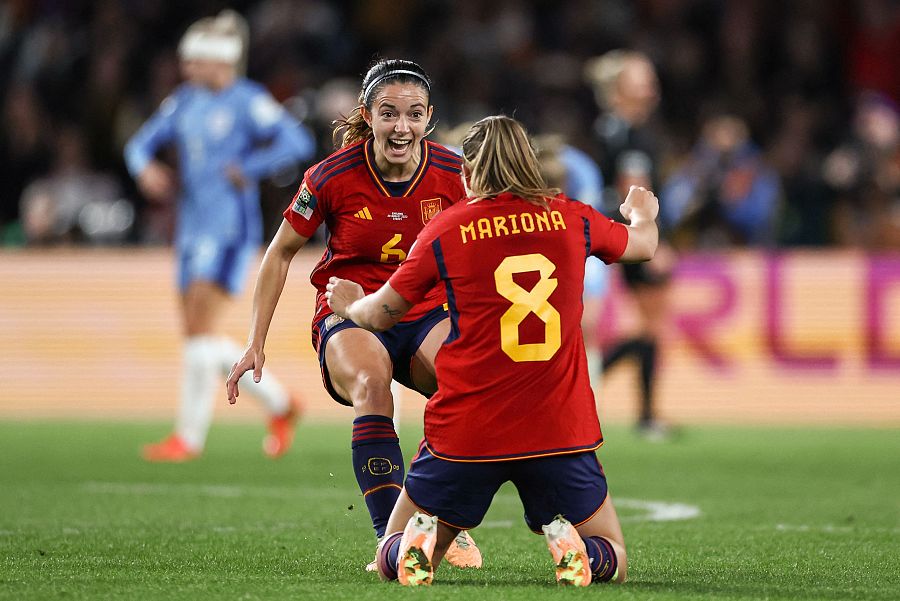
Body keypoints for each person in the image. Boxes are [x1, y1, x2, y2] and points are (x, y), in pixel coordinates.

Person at [325, 115, 660, 586]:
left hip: (468, 427)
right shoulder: (572, 216)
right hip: (558, 425)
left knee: (391, 552)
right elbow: (643, 246)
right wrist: (642, 212)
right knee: (616, 555)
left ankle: (412, 547)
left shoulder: (448, 228)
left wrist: (349, 305)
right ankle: (584, 554)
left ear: (469, 170)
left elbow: (383, 314)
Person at [225, 58, 482, 570]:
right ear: (367, 115)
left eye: (413, 115)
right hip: (350, 312)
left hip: (425, 311)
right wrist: (256, 341)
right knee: (371, 383)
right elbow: (279, 253)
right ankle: (392, 540)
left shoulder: (457, 173)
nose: (401, 128)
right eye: (388, 114)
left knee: (467, 391)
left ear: (429, 118)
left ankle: (437, 516)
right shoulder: (330, 176)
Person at [124, 10, 315, 462]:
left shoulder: (248, 101)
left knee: (200, 332)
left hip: (228, 228)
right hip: (190, 229)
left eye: (196, 61)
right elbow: (138, 144)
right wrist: (145, 168)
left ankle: (189, 438)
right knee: (196, 334)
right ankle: (281, 404)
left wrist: (249, 169)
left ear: (221, 63)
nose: (187, 68)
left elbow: (297, 142)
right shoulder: (185, 101)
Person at [584, 49, 675, 439]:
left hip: (611, 230)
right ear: (620, 89)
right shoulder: (632, 134)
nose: (650, 85)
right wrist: (651, 236)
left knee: (647, 326)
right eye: (641, 78)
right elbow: (633, 186)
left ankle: (598, 380)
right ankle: (643, 412)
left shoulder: (609, 128)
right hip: (634, 231)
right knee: (652, 325)